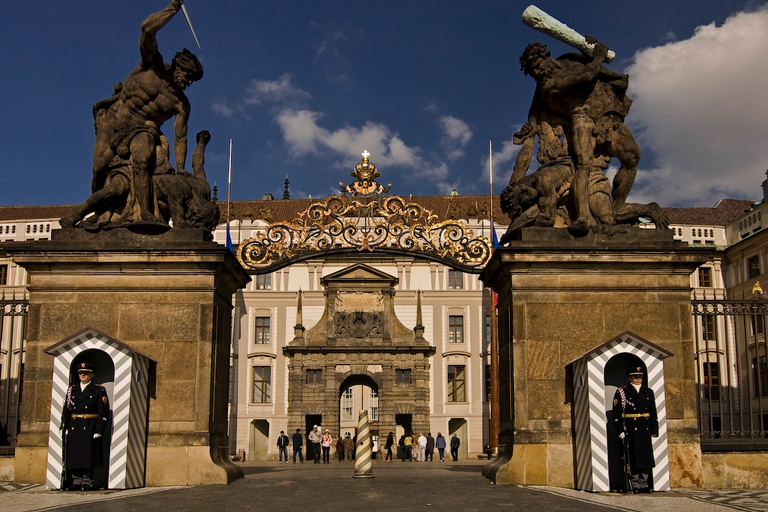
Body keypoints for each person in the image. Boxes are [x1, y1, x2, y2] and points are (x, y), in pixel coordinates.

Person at [88, 0, 204, 225]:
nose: (187, 82)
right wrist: (173, 8)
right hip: (115, 120)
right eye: (187, 75)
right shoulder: (153, 64)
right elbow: (147, 29)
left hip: (144, 129)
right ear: (177, 66)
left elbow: (180, 137)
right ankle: (99, 212)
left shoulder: (180, 104)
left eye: (192, 79)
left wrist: (180, 168)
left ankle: (146, 214)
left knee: (141, 161)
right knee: (98, 169)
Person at [518, 40, 639, 233]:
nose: (537, 72)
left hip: (608, 116)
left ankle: (617, 207)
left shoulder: (569, 61)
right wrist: (599, 56)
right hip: (583, 119)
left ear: (546, 58)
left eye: (538, 65)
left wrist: (589, 48)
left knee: (632, 158)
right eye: (532, 71)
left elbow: (590, 67)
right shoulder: (548, 86)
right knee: (584, 163)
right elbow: (587, 75)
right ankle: (583, 215)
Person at [61, 362, 110, 491]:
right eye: (81, 373)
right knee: (75, 454)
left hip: (90, 426)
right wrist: (65, 425)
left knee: (88, 455)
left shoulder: (99, 390)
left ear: (91, 374)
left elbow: (103, 411)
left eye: (86, 373)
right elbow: (67, 410)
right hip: (75, 426)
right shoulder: (72, 390)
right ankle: (76, 480)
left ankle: (86, 481)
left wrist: (99, 430)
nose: (83, 375)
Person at [612, 366, 658, 493]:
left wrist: (654, 429)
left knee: (646, 457)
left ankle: (644, 483)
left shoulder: (648, 392)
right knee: (632, 457)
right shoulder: (623, 392)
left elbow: (652, 412)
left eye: (640, 377)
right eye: (635, 377)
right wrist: (620, 429)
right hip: (631, 428)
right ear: (630, 378)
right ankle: (635, 483)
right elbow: (617, 413)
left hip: (645, 428)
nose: (638, 379)